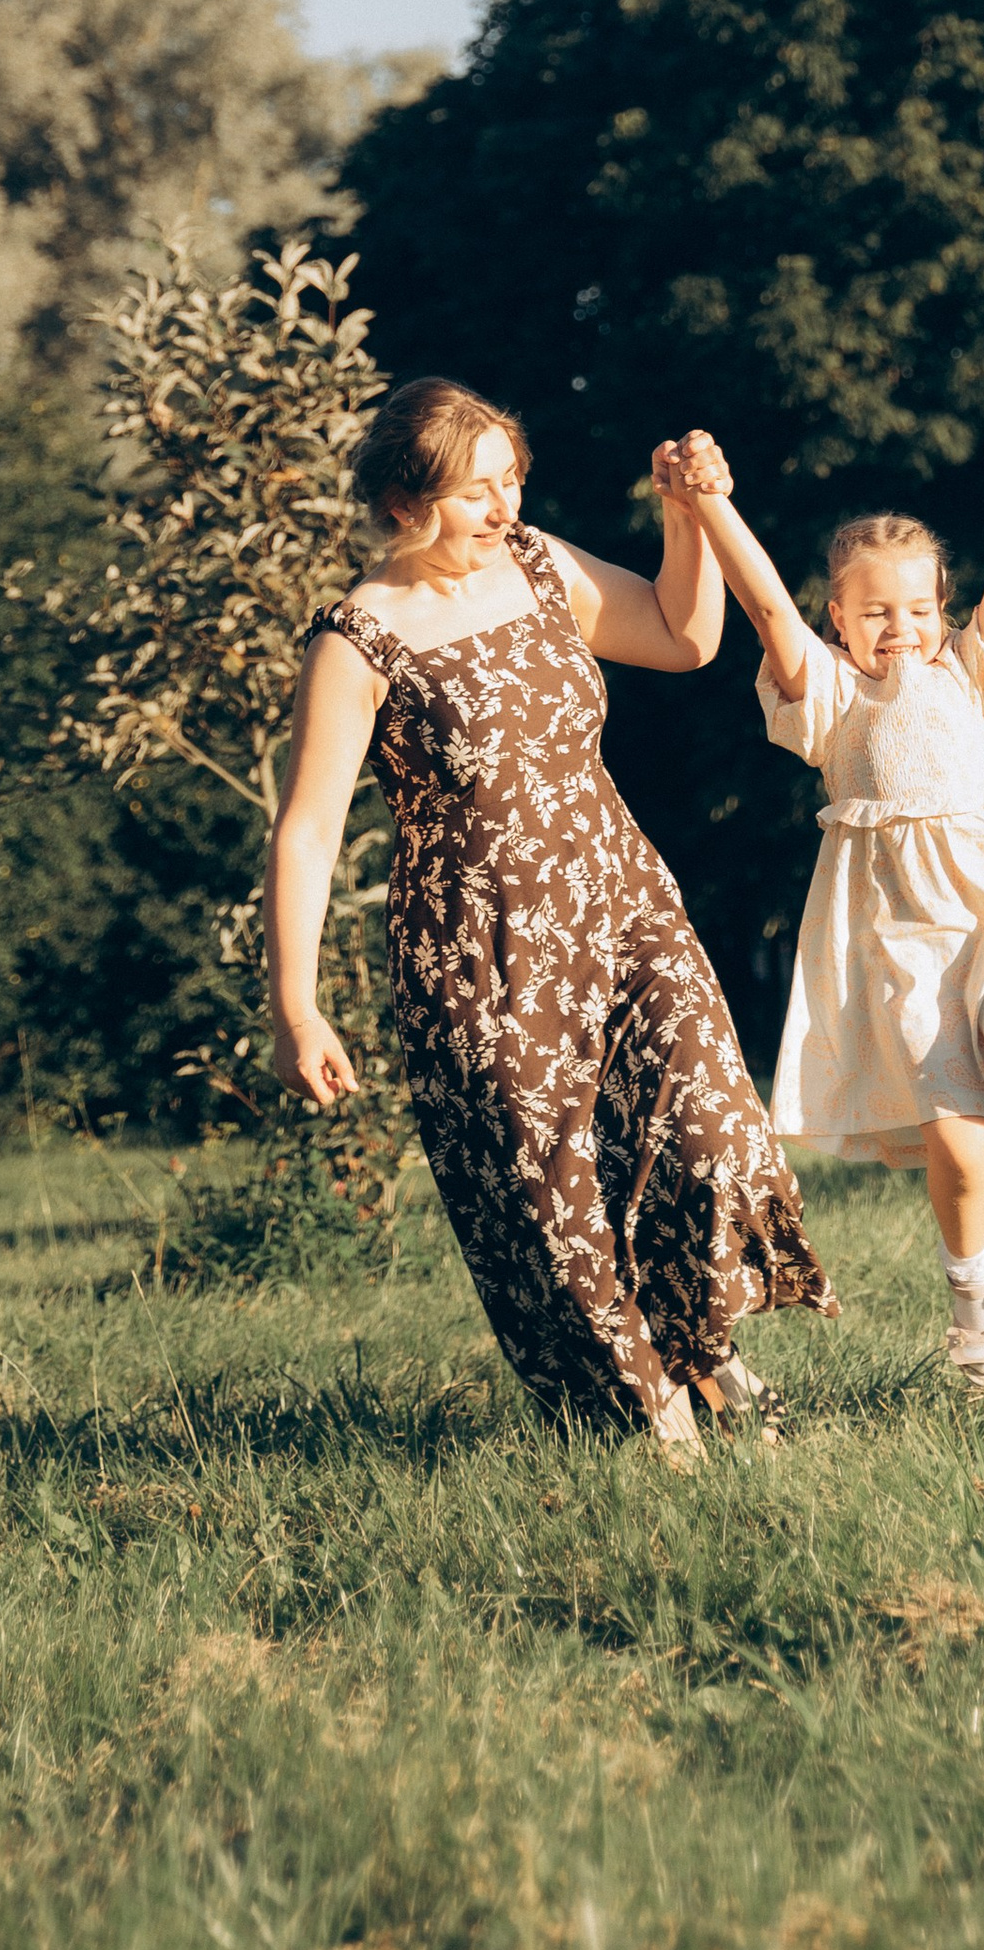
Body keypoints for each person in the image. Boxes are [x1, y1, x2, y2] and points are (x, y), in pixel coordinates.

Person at [266, 378, 832, 1453]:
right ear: (401, 500)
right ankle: (652, 1414)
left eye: (511, 479)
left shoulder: (539, 564)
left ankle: (704, 1347)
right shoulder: (359, 637)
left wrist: (682, 515)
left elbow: (682, 633)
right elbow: (306, 830)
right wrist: (297, 1009)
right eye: (477, 491)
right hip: (481, 956)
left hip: (622, 907)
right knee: (556, 1196)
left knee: (706, 1125)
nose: (504, 506)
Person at [659, 424, 984, 1393]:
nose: (899, 626)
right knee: (957, 1134)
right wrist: (708, 499)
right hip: (900, 937)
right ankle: (973, 1296)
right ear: (838, 617)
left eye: (917, 606)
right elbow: (762, 605)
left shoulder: (972, 672)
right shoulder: (825, 693)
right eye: (874, 611)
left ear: (943, 608)